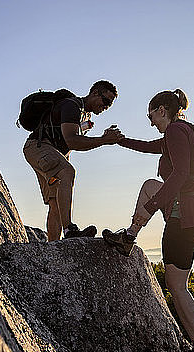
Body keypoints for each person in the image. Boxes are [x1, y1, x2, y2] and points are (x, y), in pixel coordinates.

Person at [102, 89, 194, 352]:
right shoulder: (180, 132)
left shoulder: (177, 132)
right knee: (149, 185)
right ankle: (128, 237)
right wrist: (121, 141)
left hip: (185, 215)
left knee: (177, 287)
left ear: (162, 110)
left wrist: (156, 205)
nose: (150, 120)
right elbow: (149, 147)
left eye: (151, 114)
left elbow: (179, 174)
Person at [23, 80, 124, 241]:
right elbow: (72, 141)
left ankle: (53, 248)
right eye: (105, 101)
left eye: (110, 105)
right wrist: (104, 140)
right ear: (95, 93)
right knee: (67, 171)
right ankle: (69, 229)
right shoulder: (72, 106)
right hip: (39, 148)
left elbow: (73, 140)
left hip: (46, 152)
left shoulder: (83, 113)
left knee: (56, 203)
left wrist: (102, 137)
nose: (106, 107)